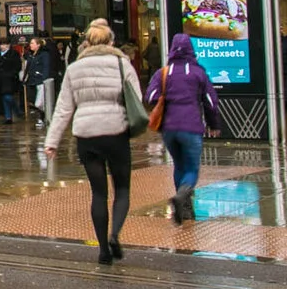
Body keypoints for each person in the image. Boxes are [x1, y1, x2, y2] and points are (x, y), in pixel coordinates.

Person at [42, 20, 145, 264]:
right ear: (111, 41)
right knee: (121, 189)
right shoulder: (122, 64)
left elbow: (64, 108)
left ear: (87, 42)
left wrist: (52, 141)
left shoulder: (75, 68)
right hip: (116, 133)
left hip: (86, 136)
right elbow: (137, 98)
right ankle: (115, 234)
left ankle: (102, 251)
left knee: (98, 193)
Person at [147, 35, 220, 223]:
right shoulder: (198, 73)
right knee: (192, 168)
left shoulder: (163, 73)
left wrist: (167, 100)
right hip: (191, 127)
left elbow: (151, 96)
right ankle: (183, 196)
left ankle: (186, 208)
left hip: (169, 129)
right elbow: (211, 102)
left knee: (179, 165)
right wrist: (214, 125)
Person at [25, 35, 57, 129]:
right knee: (33, 102)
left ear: (38, 45)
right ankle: (43, 116)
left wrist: (44, 79)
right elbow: (28, 68)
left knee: (39, 103)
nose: (30, 45)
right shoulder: (31, 55)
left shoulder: (44, 54)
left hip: (40, 81)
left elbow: (46, 67)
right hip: (31, 81)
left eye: (32, 43)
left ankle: (45, 116)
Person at [0, 37, 24, 125]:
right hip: (1, 79)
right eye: (1, 44)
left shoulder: (14, 53)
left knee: (8, 96)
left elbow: (18, 66)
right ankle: (8, 117)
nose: (2, 46)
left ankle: (16, 110)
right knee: (3, 97)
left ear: (8, 45)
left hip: (10, 79)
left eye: (4, 44)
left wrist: (12, 73)